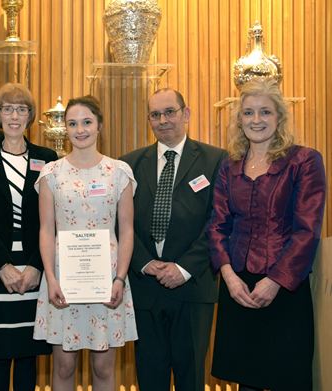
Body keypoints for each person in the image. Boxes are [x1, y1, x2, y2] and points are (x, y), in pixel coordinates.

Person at [207, 78, 326, 391]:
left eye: (265, 112)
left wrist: (274, 282)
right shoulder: (229, 165)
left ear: (280, 118)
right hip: (238, 288)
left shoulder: (304, 161)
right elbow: (218, 224)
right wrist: (230, 279)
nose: (256, 120)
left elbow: (307, 230)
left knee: (288, 378)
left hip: (284, 286)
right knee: (246, 380)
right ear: (239, 119)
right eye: (248, 113)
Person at [121, 88, 227, 391]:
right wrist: (144, 262)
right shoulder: (129, 165)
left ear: (186, 113)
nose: (163, 120)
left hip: (193, 286)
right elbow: (121, 222)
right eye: (155, 114)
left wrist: (182, 268)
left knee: (191, 377)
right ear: (149, 120)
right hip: (145, 286)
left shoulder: (215, 160)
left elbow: (220, 221)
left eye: (170, 112)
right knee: (149, 376)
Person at [33, 95, 138, 391]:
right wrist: (51, 278)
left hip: (107, 281)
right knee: (64, 366)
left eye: (87, 122)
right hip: (63, 282)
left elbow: (127, 230)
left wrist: (120, 278)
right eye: (73, 123)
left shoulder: (119, 173)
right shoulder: (51, 173)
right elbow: (46, 230)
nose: (80, 130)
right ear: (65, 129)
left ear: (99, 126)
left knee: (103, 367)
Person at [0, 83, 57, 390]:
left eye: (21, 109)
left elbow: (51, 218)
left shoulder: (48, 158)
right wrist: (2, 265)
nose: (14, 116)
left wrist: (35, 266)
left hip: (33, 267)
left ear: (30, 116)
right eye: (7, 109)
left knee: (28, 353)